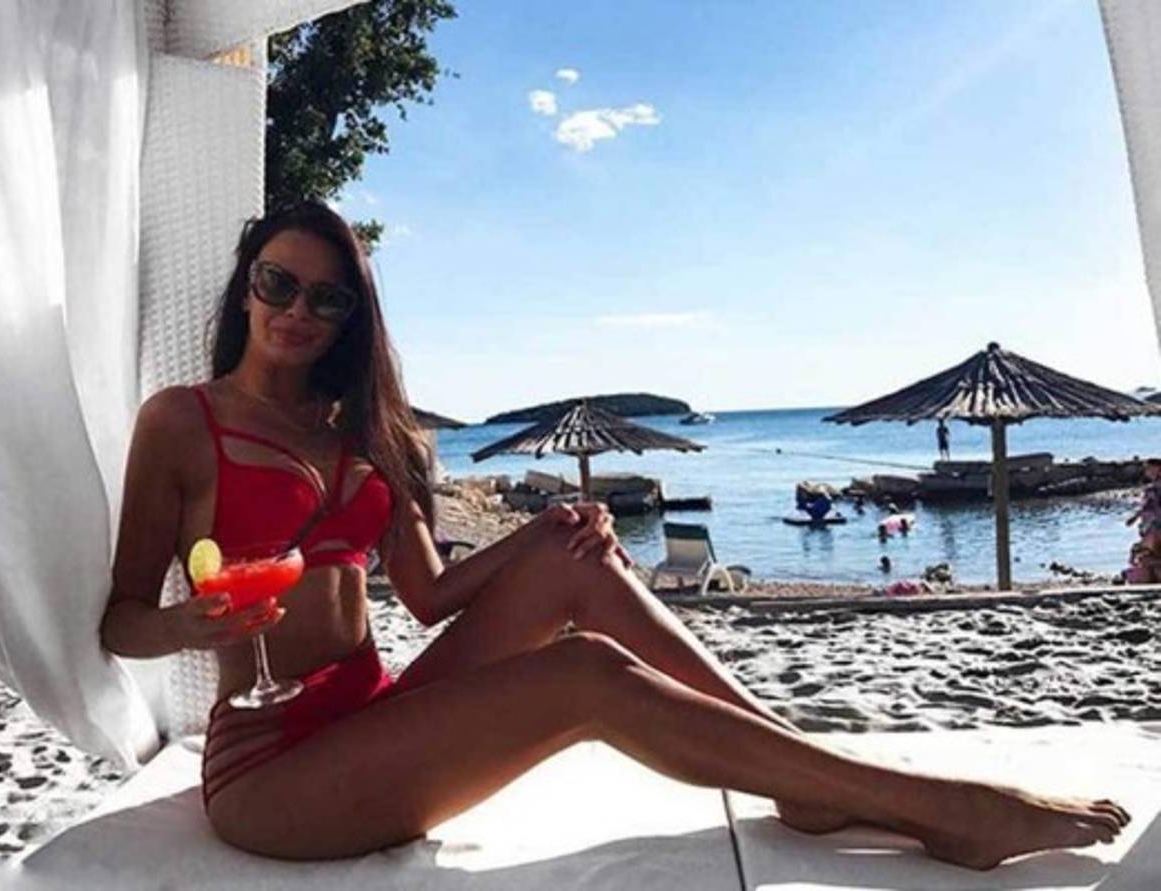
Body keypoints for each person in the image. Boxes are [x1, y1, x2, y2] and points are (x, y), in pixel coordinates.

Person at [100, 201, 1127, 869]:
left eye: (325, 297)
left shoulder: (361, 435)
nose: (296, 309)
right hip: (274, 770)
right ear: (246, 287)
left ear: (348, 319)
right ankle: (935, 808)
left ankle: (799, 770)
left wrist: (550, 531)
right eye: (276, 282)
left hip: (374, 712)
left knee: (569, 555)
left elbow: (429, 596)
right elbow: (121, 621)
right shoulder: (182, 422)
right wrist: (188, 626)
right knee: (585, 675)